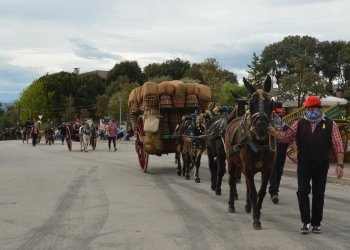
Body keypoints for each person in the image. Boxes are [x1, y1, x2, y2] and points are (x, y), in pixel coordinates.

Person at [268, 96, 344, 234]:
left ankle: (316, 223)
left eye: (313, 109)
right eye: (308, 109)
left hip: (321, 164)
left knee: (318, 194)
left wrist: (340, 165)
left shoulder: (330, 124)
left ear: (319, 109)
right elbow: (287, 136)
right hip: (304, 164)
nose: (311, 111)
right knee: (302, 191)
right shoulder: (300, 123)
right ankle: (306, 221)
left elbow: (338, 145)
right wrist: (275, 133)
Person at [269, 108, 289, 204]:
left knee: (279, 172)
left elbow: (291, 140)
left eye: (279, 116)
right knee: (273, 172)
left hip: (281, 154)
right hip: (271, 153)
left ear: (282, 117)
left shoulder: (286, 128)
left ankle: (276, 189)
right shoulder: (269, 127)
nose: (277, 118)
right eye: (274, 116)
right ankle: (273, 192)